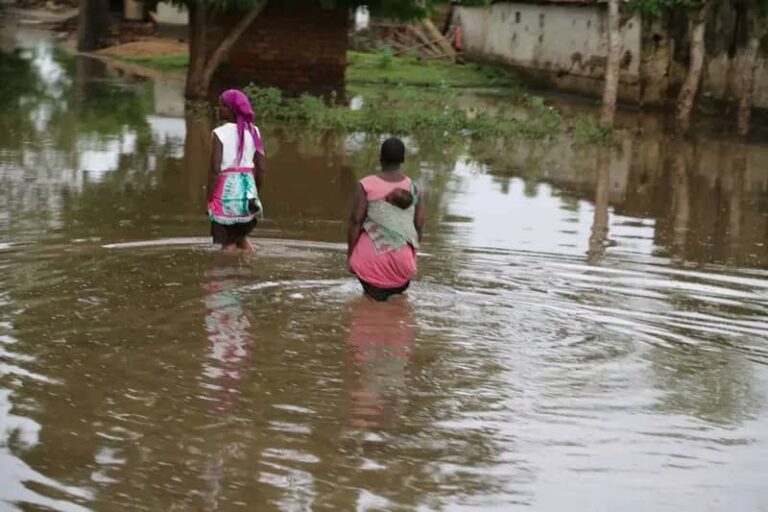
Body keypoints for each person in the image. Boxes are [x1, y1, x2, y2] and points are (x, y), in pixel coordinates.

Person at [347, 138, 425, 301]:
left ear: (380, 157)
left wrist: (351, 256)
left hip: (370, 260)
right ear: (403, 159)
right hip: (403, 263)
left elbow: (356, 221)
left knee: (368, 305)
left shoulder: (366, 184)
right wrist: (411, 257)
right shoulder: (415, 189)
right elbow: (418, 226)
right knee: (398, 305)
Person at [207, 89, 266, 253]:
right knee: (240, 237)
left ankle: (227, 269)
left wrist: (209, 199)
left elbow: (214, 170)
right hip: (248, 192)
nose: (218, 109)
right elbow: (261, 167)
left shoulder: (219, 133)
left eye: (221, 106)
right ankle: (249, 263)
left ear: (231, 109)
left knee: (228, 243)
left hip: (226, 193)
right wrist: (255, 193)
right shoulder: (254, 131)